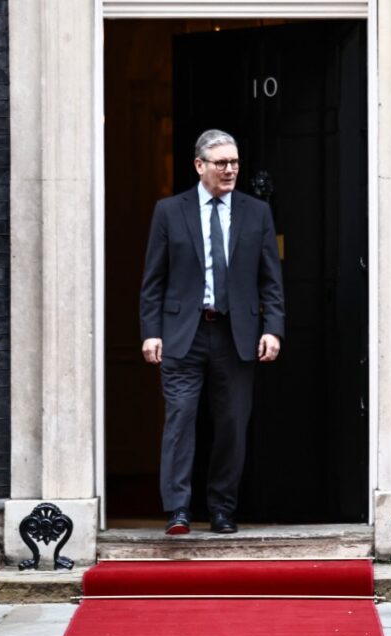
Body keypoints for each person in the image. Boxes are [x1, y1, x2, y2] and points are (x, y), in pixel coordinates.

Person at [140, 129, 285, 536]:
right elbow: (154, 279)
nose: (230, 169)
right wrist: (151, 331)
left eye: (235, 162)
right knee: (181, 419)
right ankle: (179, 510)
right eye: (221, 163)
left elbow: (270, 279)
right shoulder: (169, 211)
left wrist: (273, 328)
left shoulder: (256, 213)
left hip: (235, 334)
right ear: (199, 165)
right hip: (182, 333)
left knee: (232, 424)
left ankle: (222, 509)